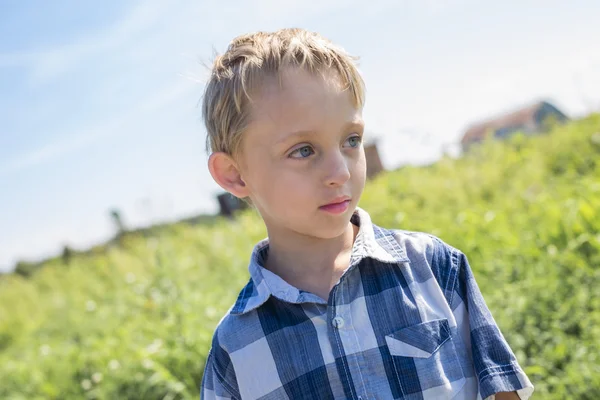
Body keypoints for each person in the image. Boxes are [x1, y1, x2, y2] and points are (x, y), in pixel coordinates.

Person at [200, 28, 534, 400]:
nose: (340, 172)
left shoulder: (434, 267)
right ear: (234, 174)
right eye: (304, 150)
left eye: (351, 140)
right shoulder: (235, 351)